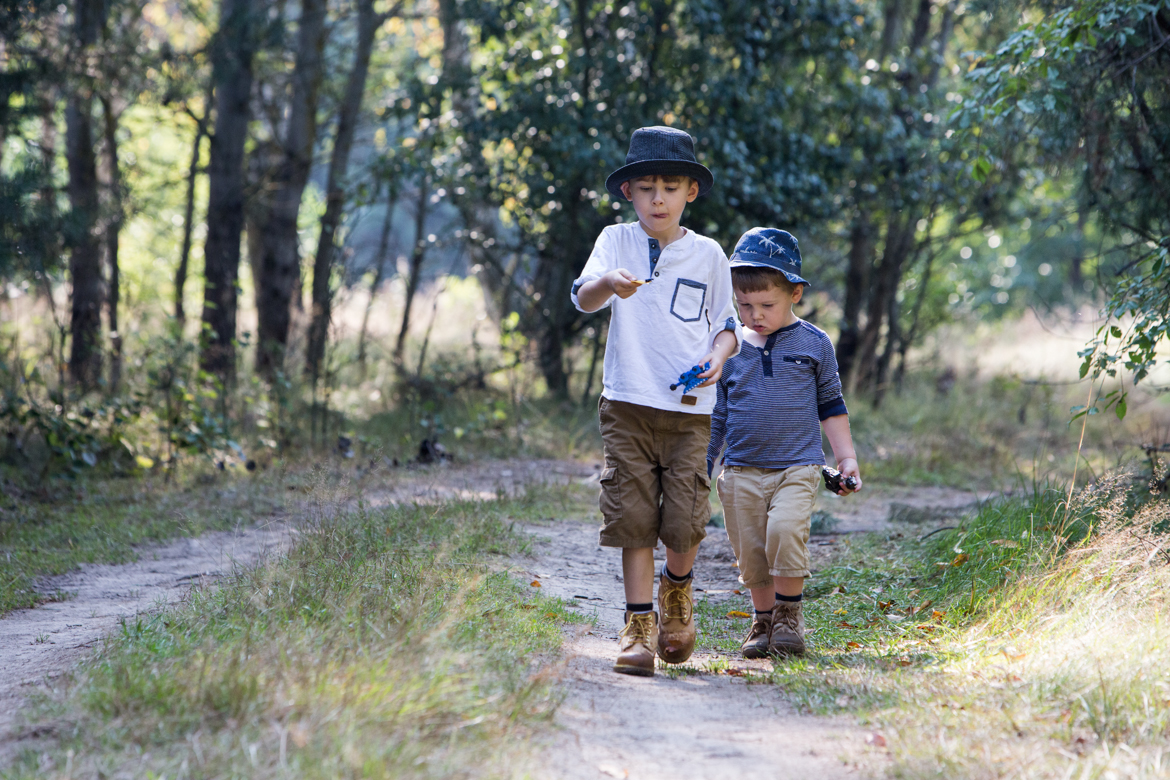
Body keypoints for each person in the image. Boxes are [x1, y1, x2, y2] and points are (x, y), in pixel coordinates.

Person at [571, 126, 742, 676]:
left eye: (671, 186)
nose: (659, 198)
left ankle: (678, 594)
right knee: (634, 516)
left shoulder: (709, 255)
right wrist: (609, 285)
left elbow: (727, 324)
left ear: (691, 191)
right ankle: (639, 625)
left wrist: (719, 357)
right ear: (629, 194)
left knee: (686, 519)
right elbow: (582, 295)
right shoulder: (614, 241)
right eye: (647, 188)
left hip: (692, 412)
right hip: (627, 403)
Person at [707, 227, 862, 658]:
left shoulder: (815, 344)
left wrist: (845, 458)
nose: (755, 314)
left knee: (785, 532)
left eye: (767, 305)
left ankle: (789, 618)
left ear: (794, 293)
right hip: (739, 469)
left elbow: (831, 405)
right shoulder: (729, 348)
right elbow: (717, 414)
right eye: (745, 305)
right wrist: (703, 466)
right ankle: (762, 622)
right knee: (751, 552)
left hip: (798, 465)